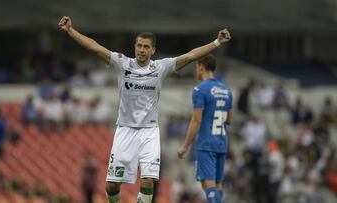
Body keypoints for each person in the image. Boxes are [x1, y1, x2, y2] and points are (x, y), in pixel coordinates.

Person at [58, 16, 231, 203]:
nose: (141, 50)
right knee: (112, 186)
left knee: (148, 181)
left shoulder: (160, 67)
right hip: (124, 130)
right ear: (135, 47)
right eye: (139, 46)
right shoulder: (122, 63)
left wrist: (217, 42)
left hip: (149, 131)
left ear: (153, 50)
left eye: (146, 47)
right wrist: (70, 31)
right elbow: (94, 47)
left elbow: (190, 56)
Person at [177, 55, 233, 203]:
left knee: (207, 184)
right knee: (218, 184)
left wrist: (185, 146)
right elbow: (229, 120)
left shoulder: (200, 90)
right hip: (221, 142)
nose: (196, 70)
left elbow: (196, 120)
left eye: (196, 67)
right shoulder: (226, 90)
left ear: (201, 66)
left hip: (206, 143)